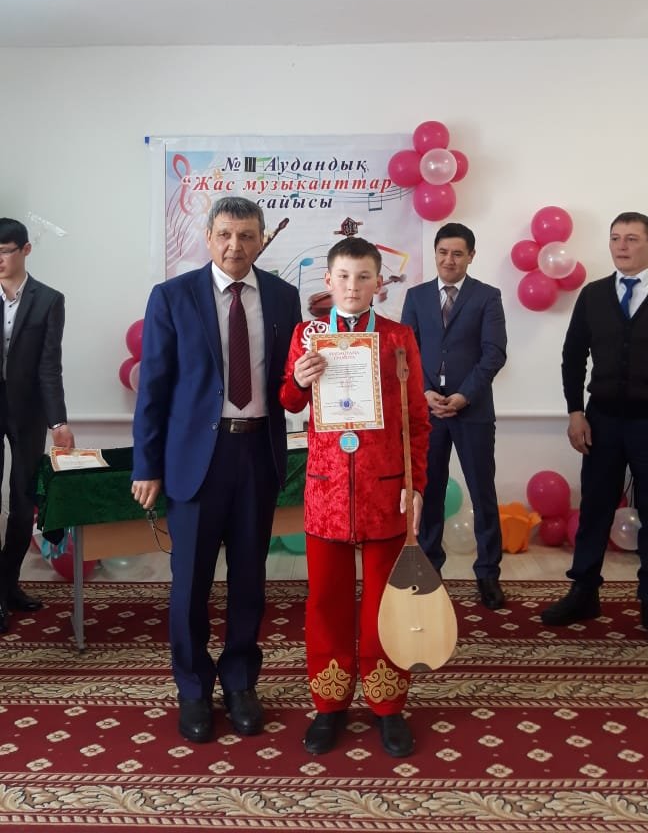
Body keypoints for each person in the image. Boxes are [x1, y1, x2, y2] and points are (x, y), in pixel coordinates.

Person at [131, 197, 301, 743]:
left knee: (250, 578)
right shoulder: (172, 296)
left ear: (261, 240)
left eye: (247, 235)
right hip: (194, 459)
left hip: (258, 454)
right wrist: (147, 465)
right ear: (207, 237)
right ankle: (193, 687)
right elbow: (153, 389)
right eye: (225, 234)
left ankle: (241, 680)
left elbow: (289, 381)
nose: (235, 246)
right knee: (191, 583)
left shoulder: (283, 297)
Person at [280, 237, 429, 757]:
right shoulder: (307, 335)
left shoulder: (398, 338)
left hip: (384, 488)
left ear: (378, 283)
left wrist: (416, 484)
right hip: (326, 490)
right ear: (328, 280)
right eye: (343, 276)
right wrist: (299, 380)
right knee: (327, 603)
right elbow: (289, 400)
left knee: (386, 605)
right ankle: (329, 705)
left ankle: (387, 705)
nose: (352, 286)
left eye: (364, 276)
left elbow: (417, 421)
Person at [541, 212, 648, 630]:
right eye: (616, 238)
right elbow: (572, 356)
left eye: (632, 238)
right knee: (595, 510)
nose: (621, 246)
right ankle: (584, 594)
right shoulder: (594, 295)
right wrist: (575, 412)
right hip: (601, 420)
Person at [401, 223, 507, 610]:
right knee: (428, 493)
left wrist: (464, 395)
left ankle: (488, 574)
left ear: (471, 256)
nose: (449, 260)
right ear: (435, 253)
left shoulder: (487, 296)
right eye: (443, 252)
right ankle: (430, 570)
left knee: (483, 492)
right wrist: (424, 393)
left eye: (458, 253)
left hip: (472, 410)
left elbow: (494, 353)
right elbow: (406, 352)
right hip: (428, 412)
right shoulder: (416, 296)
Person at [0, 218, 74, 634]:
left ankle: (7, 584)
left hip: (27, 412)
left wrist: (57, 421)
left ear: (25, 250)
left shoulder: (48, 300)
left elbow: (49, 366)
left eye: (5, 251)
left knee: (23, 499)